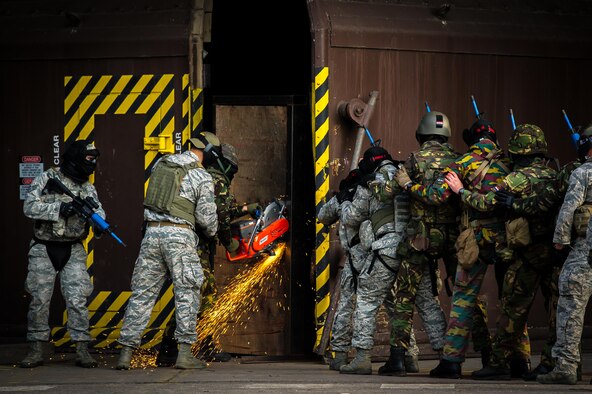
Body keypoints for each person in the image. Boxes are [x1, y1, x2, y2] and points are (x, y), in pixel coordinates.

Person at [116, 133, 218, 370]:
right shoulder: (201, 175)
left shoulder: (161, 164)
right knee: (187, 292)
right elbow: (208, 221)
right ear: (209, 151)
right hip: (180, 236)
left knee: (142, 295)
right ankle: (184, 355)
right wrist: (213, 233)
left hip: (152, 234)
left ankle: (125, 354)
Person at [156, 140, 260, 366]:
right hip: (197, 248)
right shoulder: (217, 181)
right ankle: (199, 346)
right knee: (203, 295)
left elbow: (217, 211)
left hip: (191, 245)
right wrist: (229, 242)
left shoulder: (202, 176)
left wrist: (244, 209)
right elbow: (220, 216)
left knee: (196, 295)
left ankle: (171, 349)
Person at [470, 124, 557, 380]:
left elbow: (486, 202)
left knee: (514, 309)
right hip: (554, 252)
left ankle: (499, 361)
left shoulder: (515, 178)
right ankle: (552, 362)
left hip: (528, 254)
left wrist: (460, 191)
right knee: (557, 310)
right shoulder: (556, 174)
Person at [380, 111, 457, 376]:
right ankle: (475, 357)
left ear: (421, 134)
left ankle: (398, 360)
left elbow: (387, 191)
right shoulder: (460, 160)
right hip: (453, 239)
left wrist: (399, 178)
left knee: (405, 297)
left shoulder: (415, 159)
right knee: (464, 296)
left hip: (420, 238)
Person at [20, 140, 103, 368]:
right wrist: (57, 209)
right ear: (76, 157)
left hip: (73, 248)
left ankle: (82, 349)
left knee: (77, 300)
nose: (92, 163)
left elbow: (99, 212)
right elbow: (29, 207)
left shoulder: (87, 187)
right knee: (39, 300)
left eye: (94, 159)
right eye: (88, 159)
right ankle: (36, 349)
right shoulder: (48, 179)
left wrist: (98, 224)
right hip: (44, 247)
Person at [338, 145, 407, 375]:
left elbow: (353, 216)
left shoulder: (370, 181)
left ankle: (362, 358)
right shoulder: (406, 174)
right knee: (412, 303)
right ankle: (415, 357)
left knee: (366, 300)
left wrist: (344, 200)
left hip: (385, 248)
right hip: (414, 246)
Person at [538, 125, 592, 385]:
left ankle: (566, 367)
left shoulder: (583, 172)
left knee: (571, 308)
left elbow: (569, 207)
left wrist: (560, 241)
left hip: (584, 252)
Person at [318, 168, 368, 371]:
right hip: (380, 259)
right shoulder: (375, 192)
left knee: (346, 307)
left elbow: (322, 216)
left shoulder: (346, 196)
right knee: (393, 306)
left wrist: (341, 200)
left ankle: (339, 355)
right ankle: (406, 356)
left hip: (356, 259)